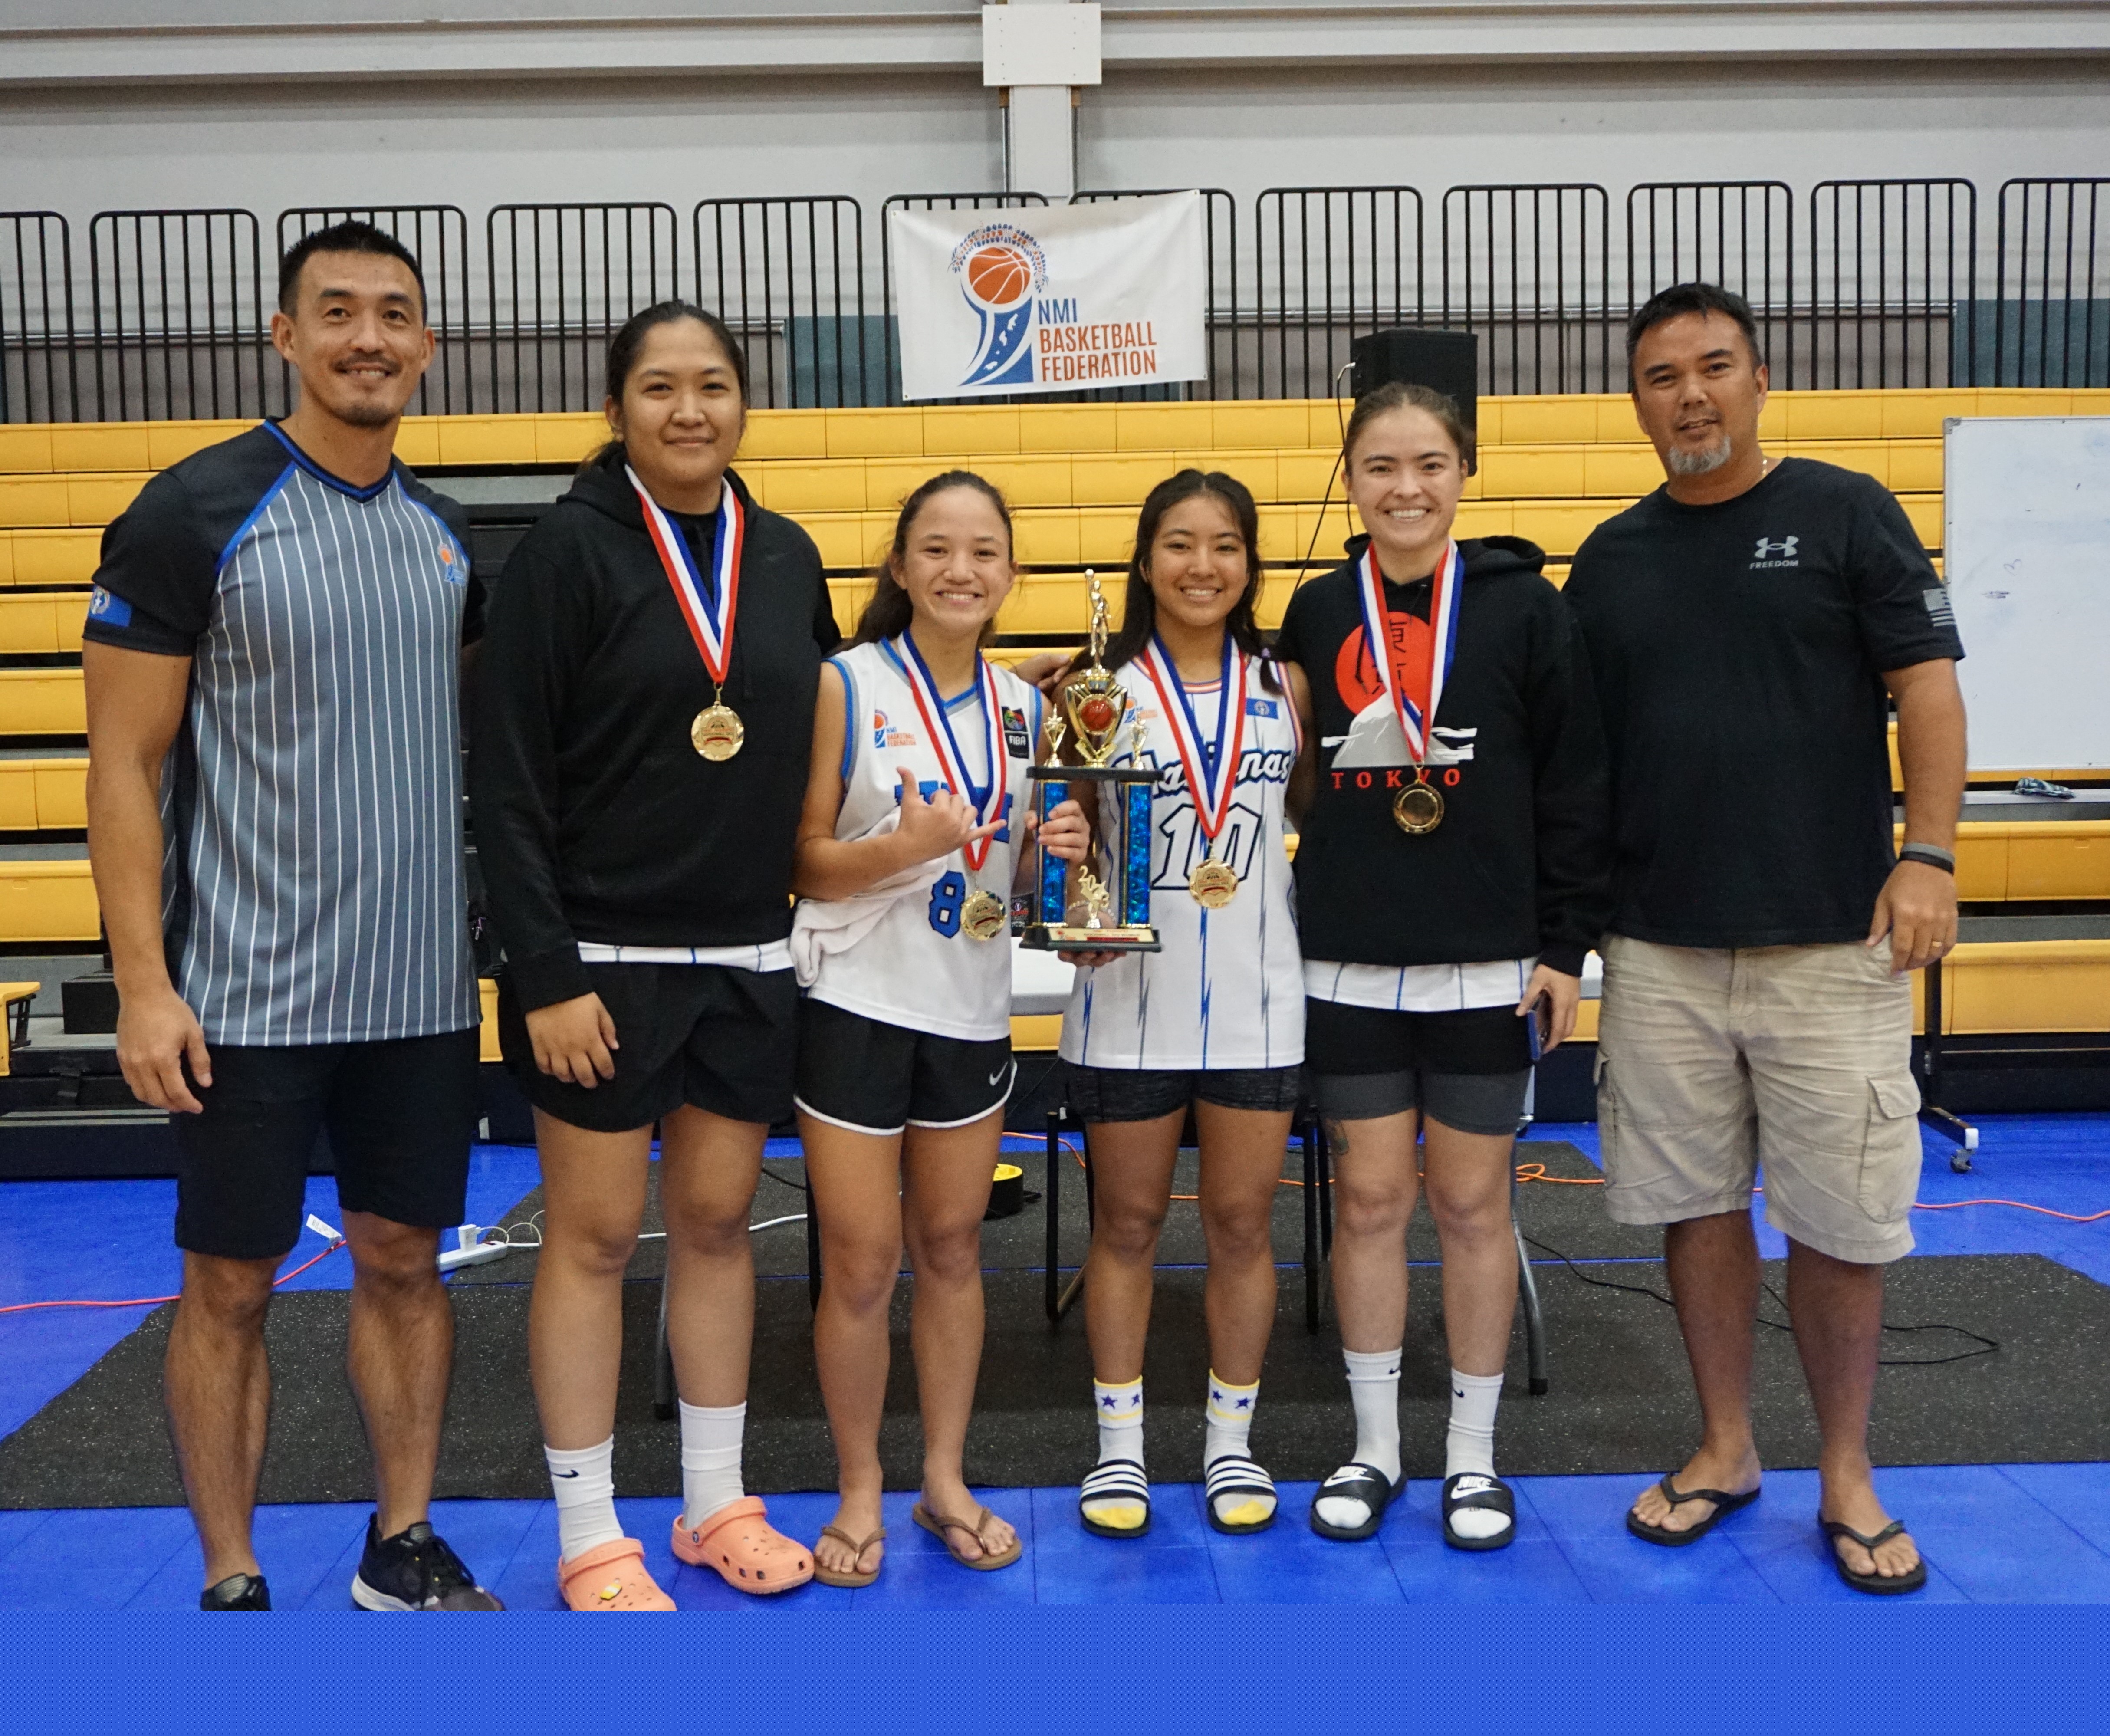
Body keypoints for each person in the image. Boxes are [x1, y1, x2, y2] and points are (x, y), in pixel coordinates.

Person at [81, 220, 501, 1611]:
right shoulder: (192, 511)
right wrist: (144, 982)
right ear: (284, 336)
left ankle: (401, 1543)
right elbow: (124, 768)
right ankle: (230, 1566)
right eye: (337, 312)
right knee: (232, 1284)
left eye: (393, 314)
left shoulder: (447, 543)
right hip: (243, 995)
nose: (368, 337)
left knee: (403, 1263)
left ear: (427, 347)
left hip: (423, 995)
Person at [1563, 283, 1966, 1596]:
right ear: (1633, 402)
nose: (1688, 394)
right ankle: (1725, 1446)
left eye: (1712, 368)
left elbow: (1925, 687)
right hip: (1660, 946)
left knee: (1842, 1222)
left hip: (1829, 939)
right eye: (1661, 377)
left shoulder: (1845, 511)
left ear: (1758, 378)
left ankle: (1844, 1474)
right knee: (1689, 1207)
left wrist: (1927, 852)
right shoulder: (1609, 561)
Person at [470, 302, 838, 1611]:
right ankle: (586, 1534)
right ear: (617, 406)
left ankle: (710, 1503)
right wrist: (545, 974)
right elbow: (505, 786)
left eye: (715, 386)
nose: (690, 411)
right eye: (660, 388)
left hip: (747, 959)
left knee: (720, 1226)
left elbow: (833, 744)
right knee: (591, 1236)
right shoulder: (564, 556)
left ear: (746, 404)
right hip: (601, 965)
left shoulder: (786, 557)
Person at [1272, 381, 1611, 1550]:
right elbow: (1295, 777)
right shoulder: (1316, 612)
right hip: (1349, 967)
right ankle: (1374, 1447)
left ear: (1462, 472)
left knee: (1470, 1205)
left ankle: (1471, 1457)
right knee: (1367, 1201)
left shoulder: (1525, 610)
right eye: (1378, 466)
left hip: (1485, 965)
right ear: (1349, 477)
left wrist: (1563, 947)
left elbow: (1574, 789)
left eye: (1426, 464)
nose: (1403, 488)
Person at [789, 472, 1081, 1586]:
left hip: (970, 1005)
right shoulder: (844, 684)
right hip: (858, 1002)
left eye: (984, 552)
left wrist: (1054, 848)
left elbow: (1003, 867)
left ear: (1010, 573)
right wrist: (897, 848)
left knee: (954, 1251)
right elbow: (803, 859)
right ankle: (861, 1486)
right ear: (901, 566)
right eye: (938, 549)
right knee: (862, 1263)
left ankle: (944, 1477)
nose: (962, 570)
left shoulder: (1025, 706)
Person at [1055, 470, 1304, 1540]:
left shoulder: (1288, 685)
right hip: (1127, 999)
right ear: (1145, 558)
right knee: (1128, 1223)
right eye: (1178, 544)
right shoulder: (1096, 685)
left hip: (1259, 995)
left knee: (1245, 1224)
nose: (1201, 566)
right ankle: (1120, 1448)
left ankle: (1229, 1440)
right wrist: (1060, 859)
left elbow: (1313, 816)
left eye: (1224, 546)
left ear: (1249, 564)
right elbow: (1065, 841)